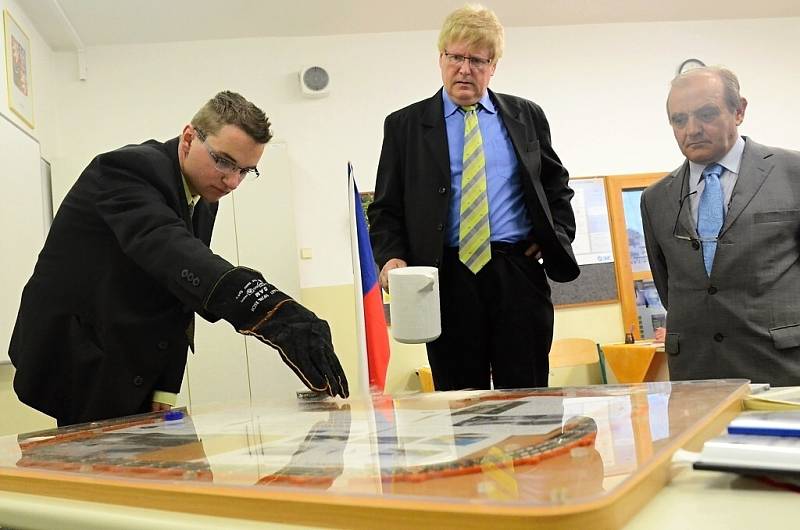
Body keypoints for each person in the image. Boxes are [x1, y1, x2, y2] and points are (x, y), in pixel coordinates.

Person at [9, 91, 348, 426]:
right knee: (103, 476)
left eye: (245, 170)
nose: (232, 181)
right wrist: (272, 310)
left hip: (138, 360)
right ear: (188, 138)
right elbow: (170, 251)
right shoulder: (125, 170)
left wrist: (166, 388)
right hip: (81, 358)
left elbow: (180, 292)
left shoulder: (204, 195)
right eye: (224, 161)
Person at [368, 5, 579, 391]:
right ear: (441, 58)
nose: (465, 69)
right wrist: (390, 256)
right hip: (445, 277)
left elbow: (556, 184)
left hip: (516, 272)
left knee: (529, 394)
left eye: (477, 60)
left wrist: (554, 236)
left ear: (493, 65)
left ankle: (535, 451)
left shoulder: (526, 115)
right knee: (461, 400)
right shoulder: (404, 125)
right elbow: (385, 207)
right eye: (456, 57)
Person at [641, 66, 800, 385]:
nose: (693, 129)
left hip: (782, 368)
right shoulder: (656, 199)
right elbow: (668, 284)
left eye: (707, 114)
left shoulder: (793, 173)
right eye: (679, 120)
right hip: (696, 374)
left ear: (739, 110)